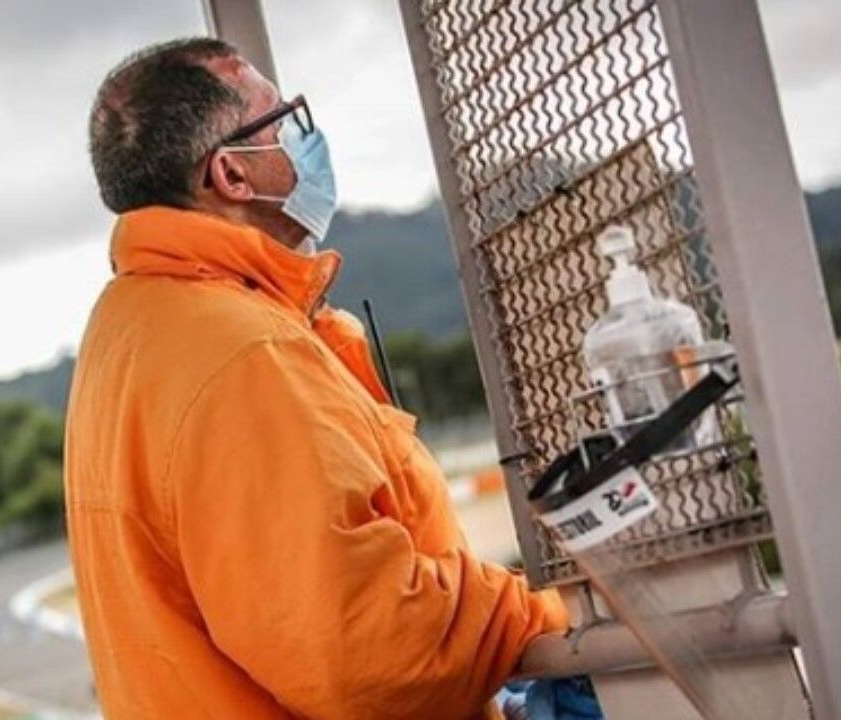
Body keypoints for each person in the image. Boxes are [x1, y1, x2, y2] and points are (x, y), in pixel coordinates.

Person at [64, 37, 568, 719]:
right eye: (283, 118)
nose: (307, 136)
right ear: (231, 175)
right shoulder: (243, 352)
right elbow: (367, 650)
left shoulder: (127, 328)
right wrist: (545, 616)